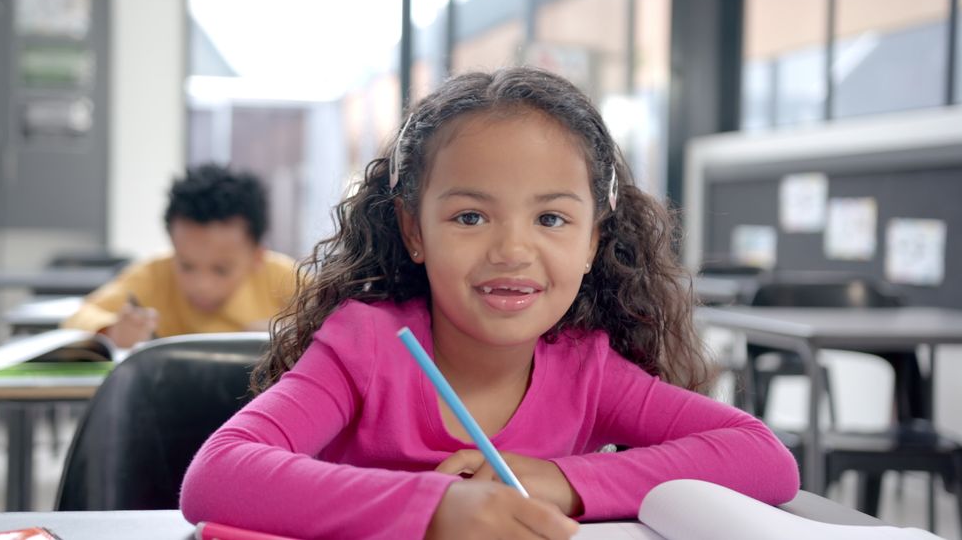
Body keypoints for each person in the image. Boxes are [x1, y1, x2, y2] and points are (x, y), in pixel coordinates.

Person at [180, 68, 799, 539]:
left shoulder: (588, 369)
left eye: (551, 218)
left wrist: (562, 481)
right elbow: (218, 476)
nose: (512, 250)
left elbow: (765, 459)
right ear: (414, 230)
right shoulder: (363, 347)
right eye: (470, 216)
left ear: (593, 242)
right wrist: (435, 510)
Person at [63, 164, 297, 347]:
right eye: (186, 266)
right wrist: (112, 332)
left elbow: (331, 323)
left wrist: (297, 332)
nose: (201, 285)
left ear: (257, 257)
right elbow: (77, 318)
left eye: (221, 270)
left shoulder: (284, 278)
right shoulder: (154, 275)